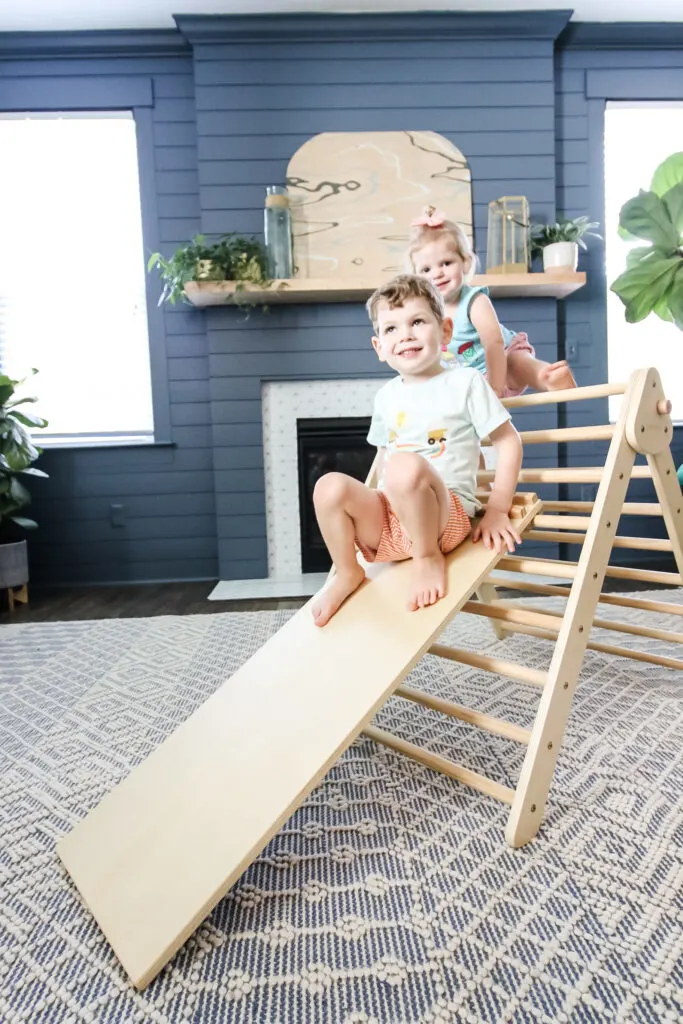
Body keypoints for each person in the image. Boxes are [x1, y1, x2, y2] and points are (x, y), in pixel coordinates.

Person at [310, 274, 523, 628]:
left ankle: (427, 558)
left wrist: (498, 508)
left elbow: (508, 441)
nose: (405, 334)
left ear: (446, 332)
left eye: (418, 321)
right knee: (328, 486)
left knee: (404, 467)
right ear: (378, 347)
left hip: (444, 519)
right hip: (392, 524)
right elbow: (382, 459)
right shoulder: (386, 396)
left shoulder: (464, 382)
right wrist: (366, 503)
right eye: (391, 329)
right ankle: (348, 572)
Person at [408, 206, 577, 397]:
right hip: (472, 382)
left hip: (502, 358)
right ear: (416, 277)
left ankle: (545, 376)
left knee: (517, 364)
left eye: (446, 263)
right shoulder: (425, 313)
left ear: (465, 262)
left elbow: (494, 342)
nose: (437, 274)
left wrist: (495, 387)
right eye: (426, 270)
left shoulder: (474, 301)